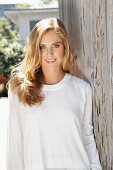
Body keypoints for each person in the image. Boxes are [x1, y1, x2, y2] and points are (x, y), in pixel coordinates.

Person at [7, 18, 102, 170]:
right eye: (42, 47)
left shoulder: (82, 89)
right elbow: (15, 144)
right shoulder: (19, 89)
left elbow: (87, 139)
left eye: (55, 45)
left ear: (65, 46)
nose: (49, 53)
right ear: (34, 49)